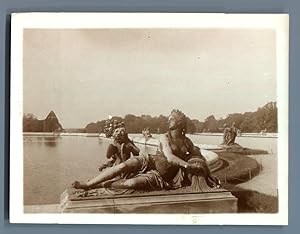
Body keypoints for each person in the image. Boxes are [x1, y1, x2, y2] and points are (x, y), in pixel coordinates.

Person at [72, 109, 220, 191]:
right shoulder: (164, 137)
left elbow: (199, 156)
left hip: (160, 175)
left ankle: (99, 184)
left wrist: (208, 174)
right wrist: (188, 165)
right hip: (149, 161)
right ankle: (88, 184)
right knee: (123, 165)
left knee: (131, 184)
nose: (169, 120)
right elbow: (169, 156)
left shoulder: (187, 142)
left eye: (172, 119)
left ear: (180, 123)